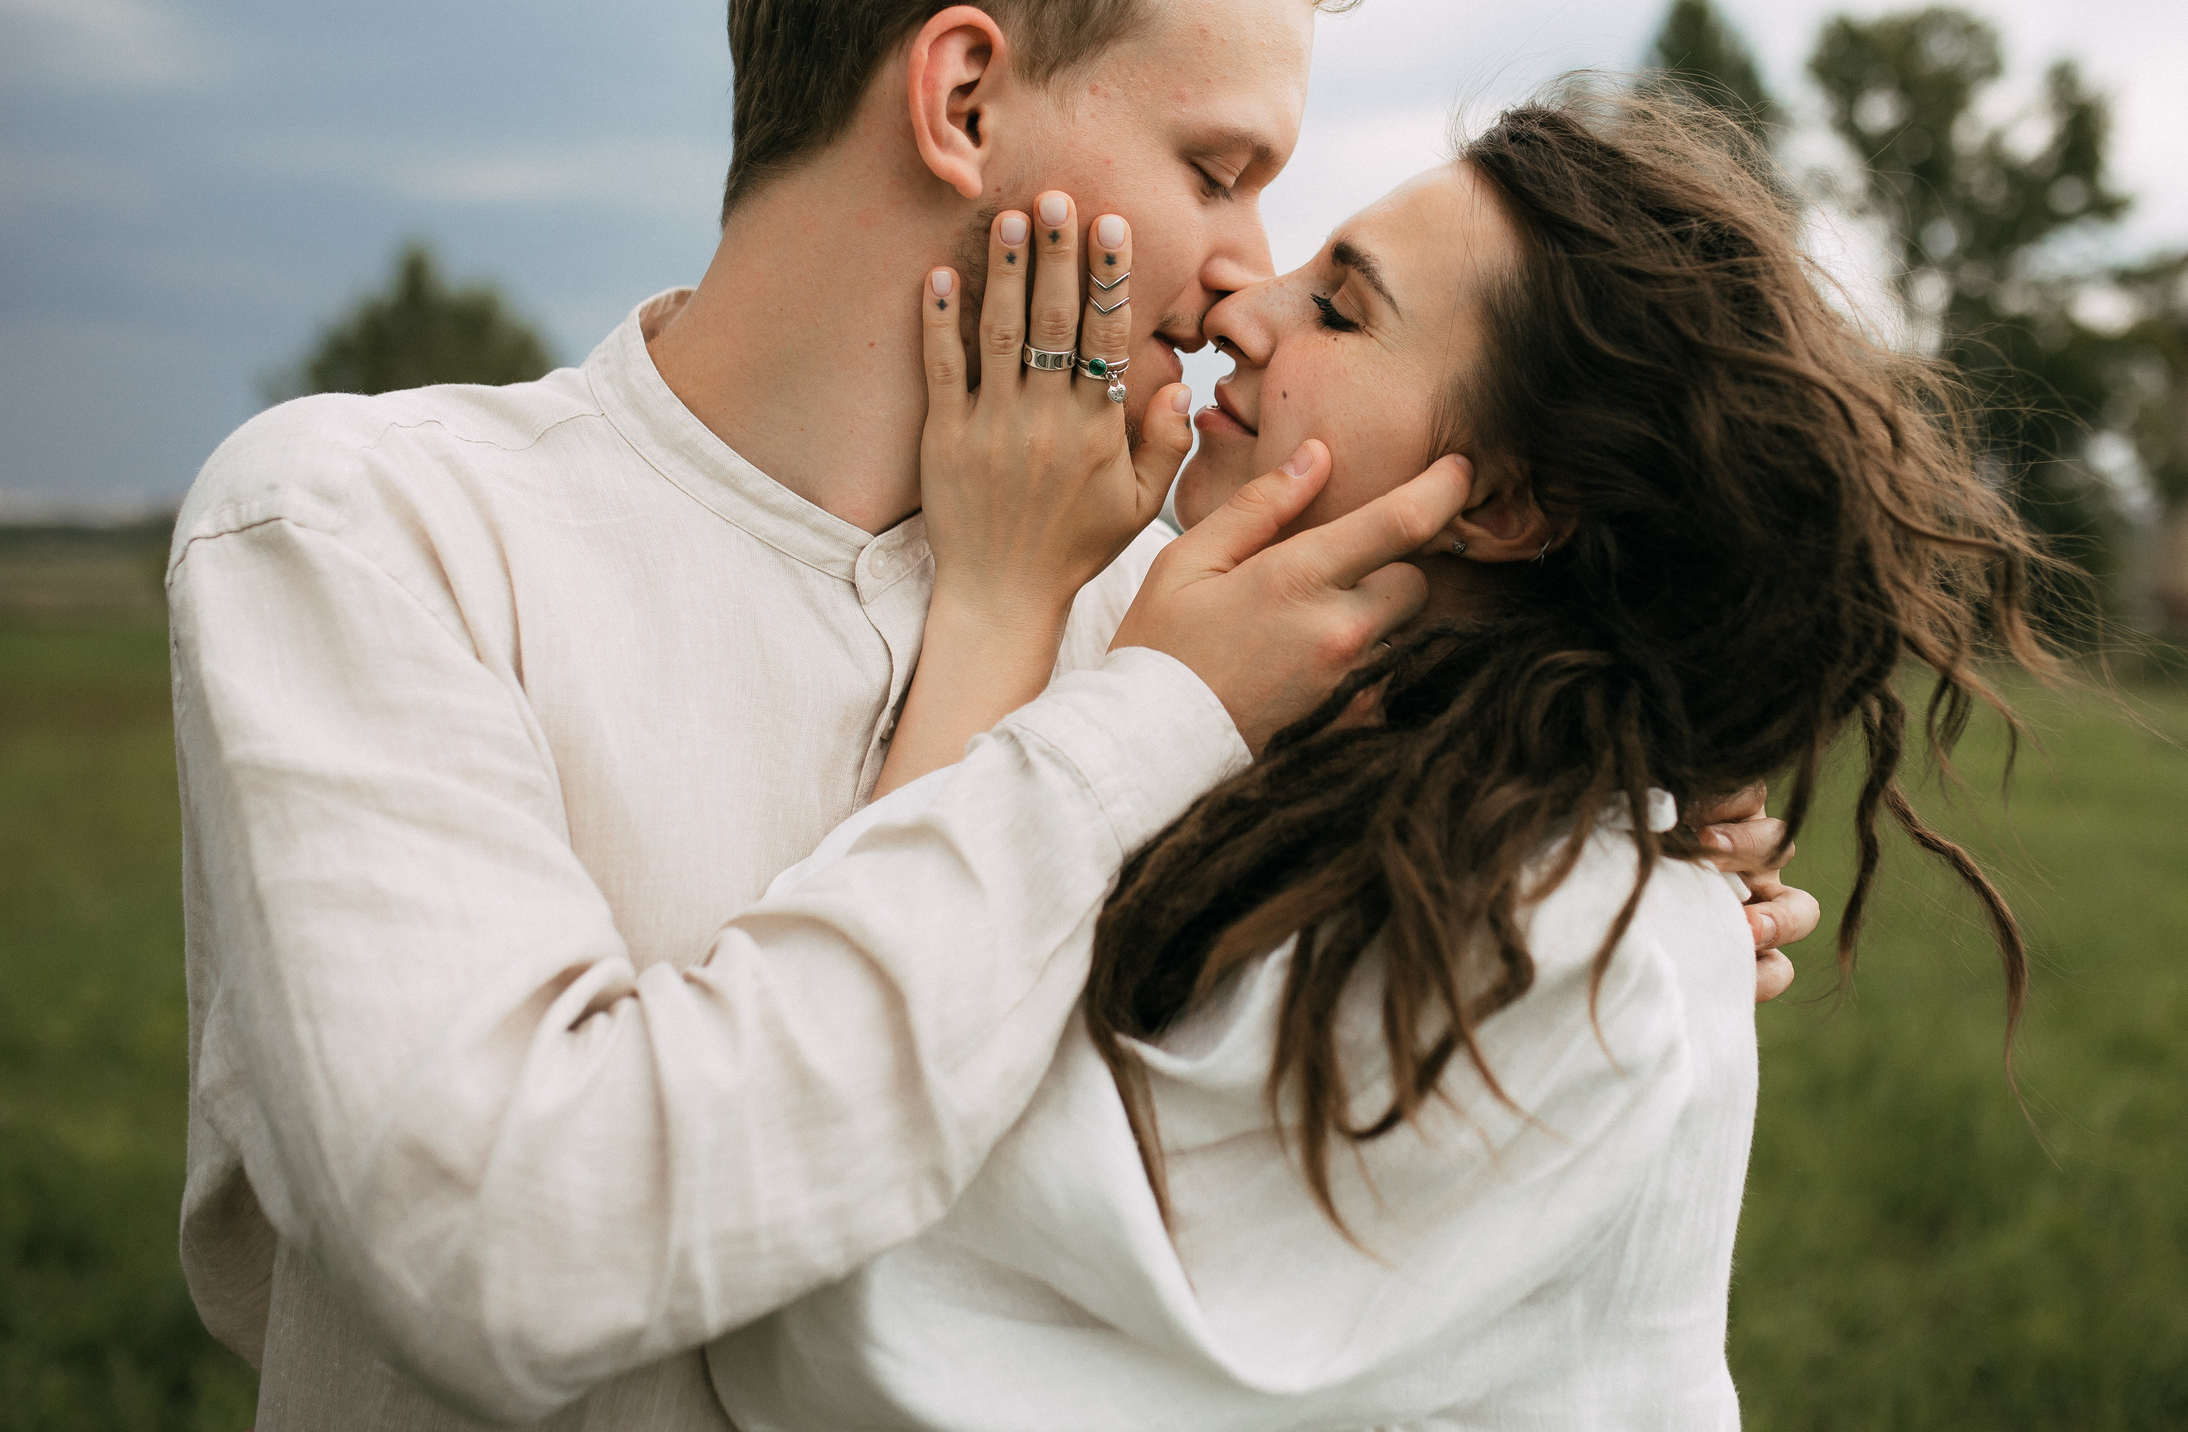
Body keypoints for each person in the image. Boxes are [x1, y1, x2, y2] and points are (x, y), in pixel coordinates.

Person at [169, 0, 1813, 1428]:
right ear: (963, 103)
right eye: (1217, 171)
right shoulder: (365, 533)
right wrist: (1118, 697)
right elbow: (507, 1250)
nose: (1245, 274)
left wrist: (1603, 878)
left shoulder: (1185, 625)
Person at [707, 80, 2049, 1430]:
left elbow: (836, 1268)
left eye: (1340, 311)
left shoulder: (1561, 950)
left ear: (1506, 504)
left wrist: (1001, 609)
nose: (1241, 310)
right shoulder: (1299, 760)